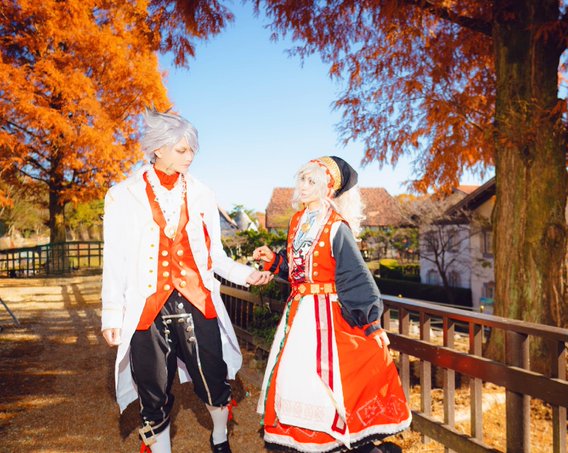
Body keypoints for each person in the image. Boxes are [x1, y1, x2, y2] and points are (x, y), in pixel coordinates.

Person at [100, 108, 273, 453]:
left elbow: (215, 256)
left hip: (197, 301)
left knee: (213, 380)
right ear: (157, 148)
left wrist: (246, 275)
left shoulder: (202, 193)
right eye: (181, 150)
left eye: (192, 149)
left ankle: (220, 436)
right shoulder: (122, 195)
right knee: (152, 388)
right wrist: (112, 314)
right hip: (146, 307)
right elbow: (115, 257)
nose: (189, 156)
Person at [253, 156, 411, 452]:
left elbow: (354, 275)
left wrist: (370, 322)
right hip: (297, 315)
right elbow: (298, 271)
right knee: (296, 378)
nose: (303, 186)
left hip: (325, 316)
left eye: (312, 181)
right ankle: (306, 440)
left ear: (329, 188)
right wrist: (274, 261)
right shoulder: (297, 221)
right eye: (302, 179)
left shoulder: (337, 227)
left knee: (326, 381)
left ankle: (336, 441)